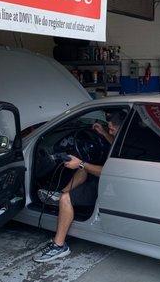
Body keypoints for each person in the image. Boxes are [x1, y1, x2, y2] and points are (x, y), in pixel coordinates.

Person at [33, 111, 126, 262]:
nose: (109, 131)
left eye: (111, 129)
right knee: (82, 170)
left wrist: (81, 163)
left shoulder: (127, 147)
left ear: (121, 128)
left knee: (66, 198)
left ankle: (59, 246)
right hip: (111, 179)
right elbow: (116, 144)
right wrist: (103, 133)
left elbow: (109, 172)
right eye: (107, 128)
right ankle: (60, 192)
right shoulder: (124, 139)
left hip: (111, 184)